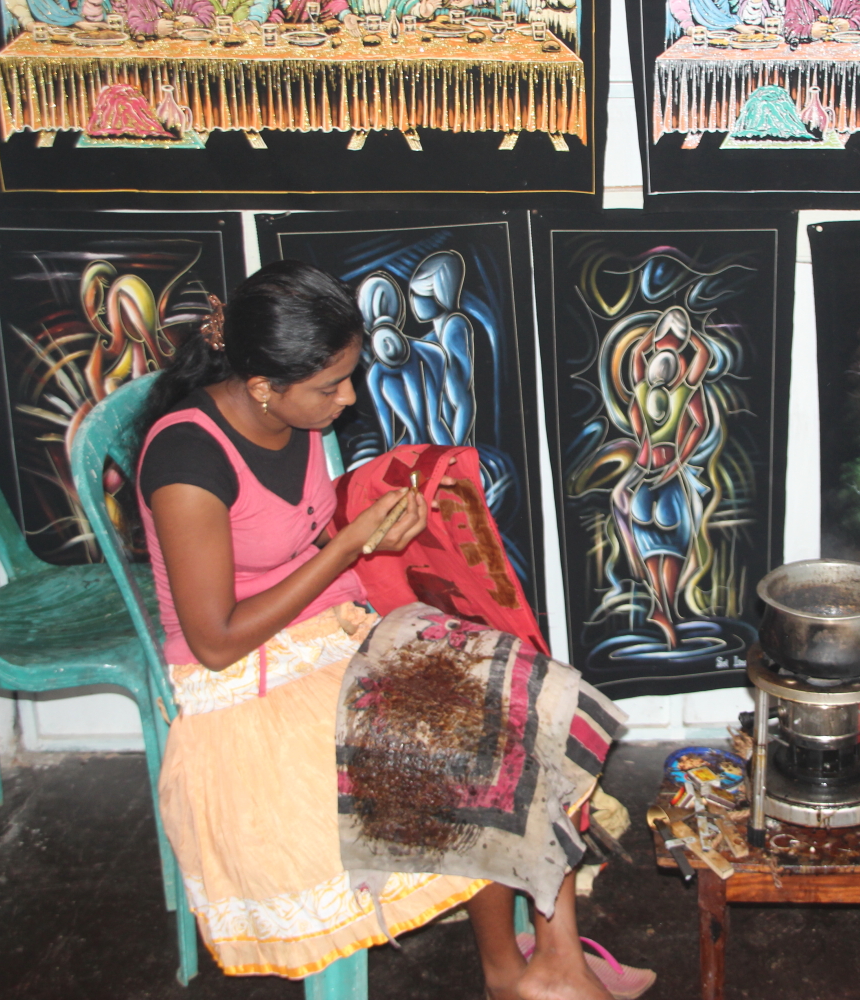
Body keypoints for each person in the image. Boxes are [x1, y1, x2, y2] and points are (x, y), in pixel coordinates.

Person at [138, 261, 614, 999]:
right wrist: (348, 548)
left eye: (348, 376)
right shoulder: (187, 462)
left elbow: (300, 539)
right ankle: (507, 973)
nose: (349, 398)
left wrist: (377, 537)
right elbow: (217, 641)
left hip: (326, 632)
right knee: (462, 750)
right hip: (243, 684)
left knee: (522, 696)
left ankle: (556, 960)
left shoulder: (292, 414)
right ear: (263, 384)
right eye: (330, 386)